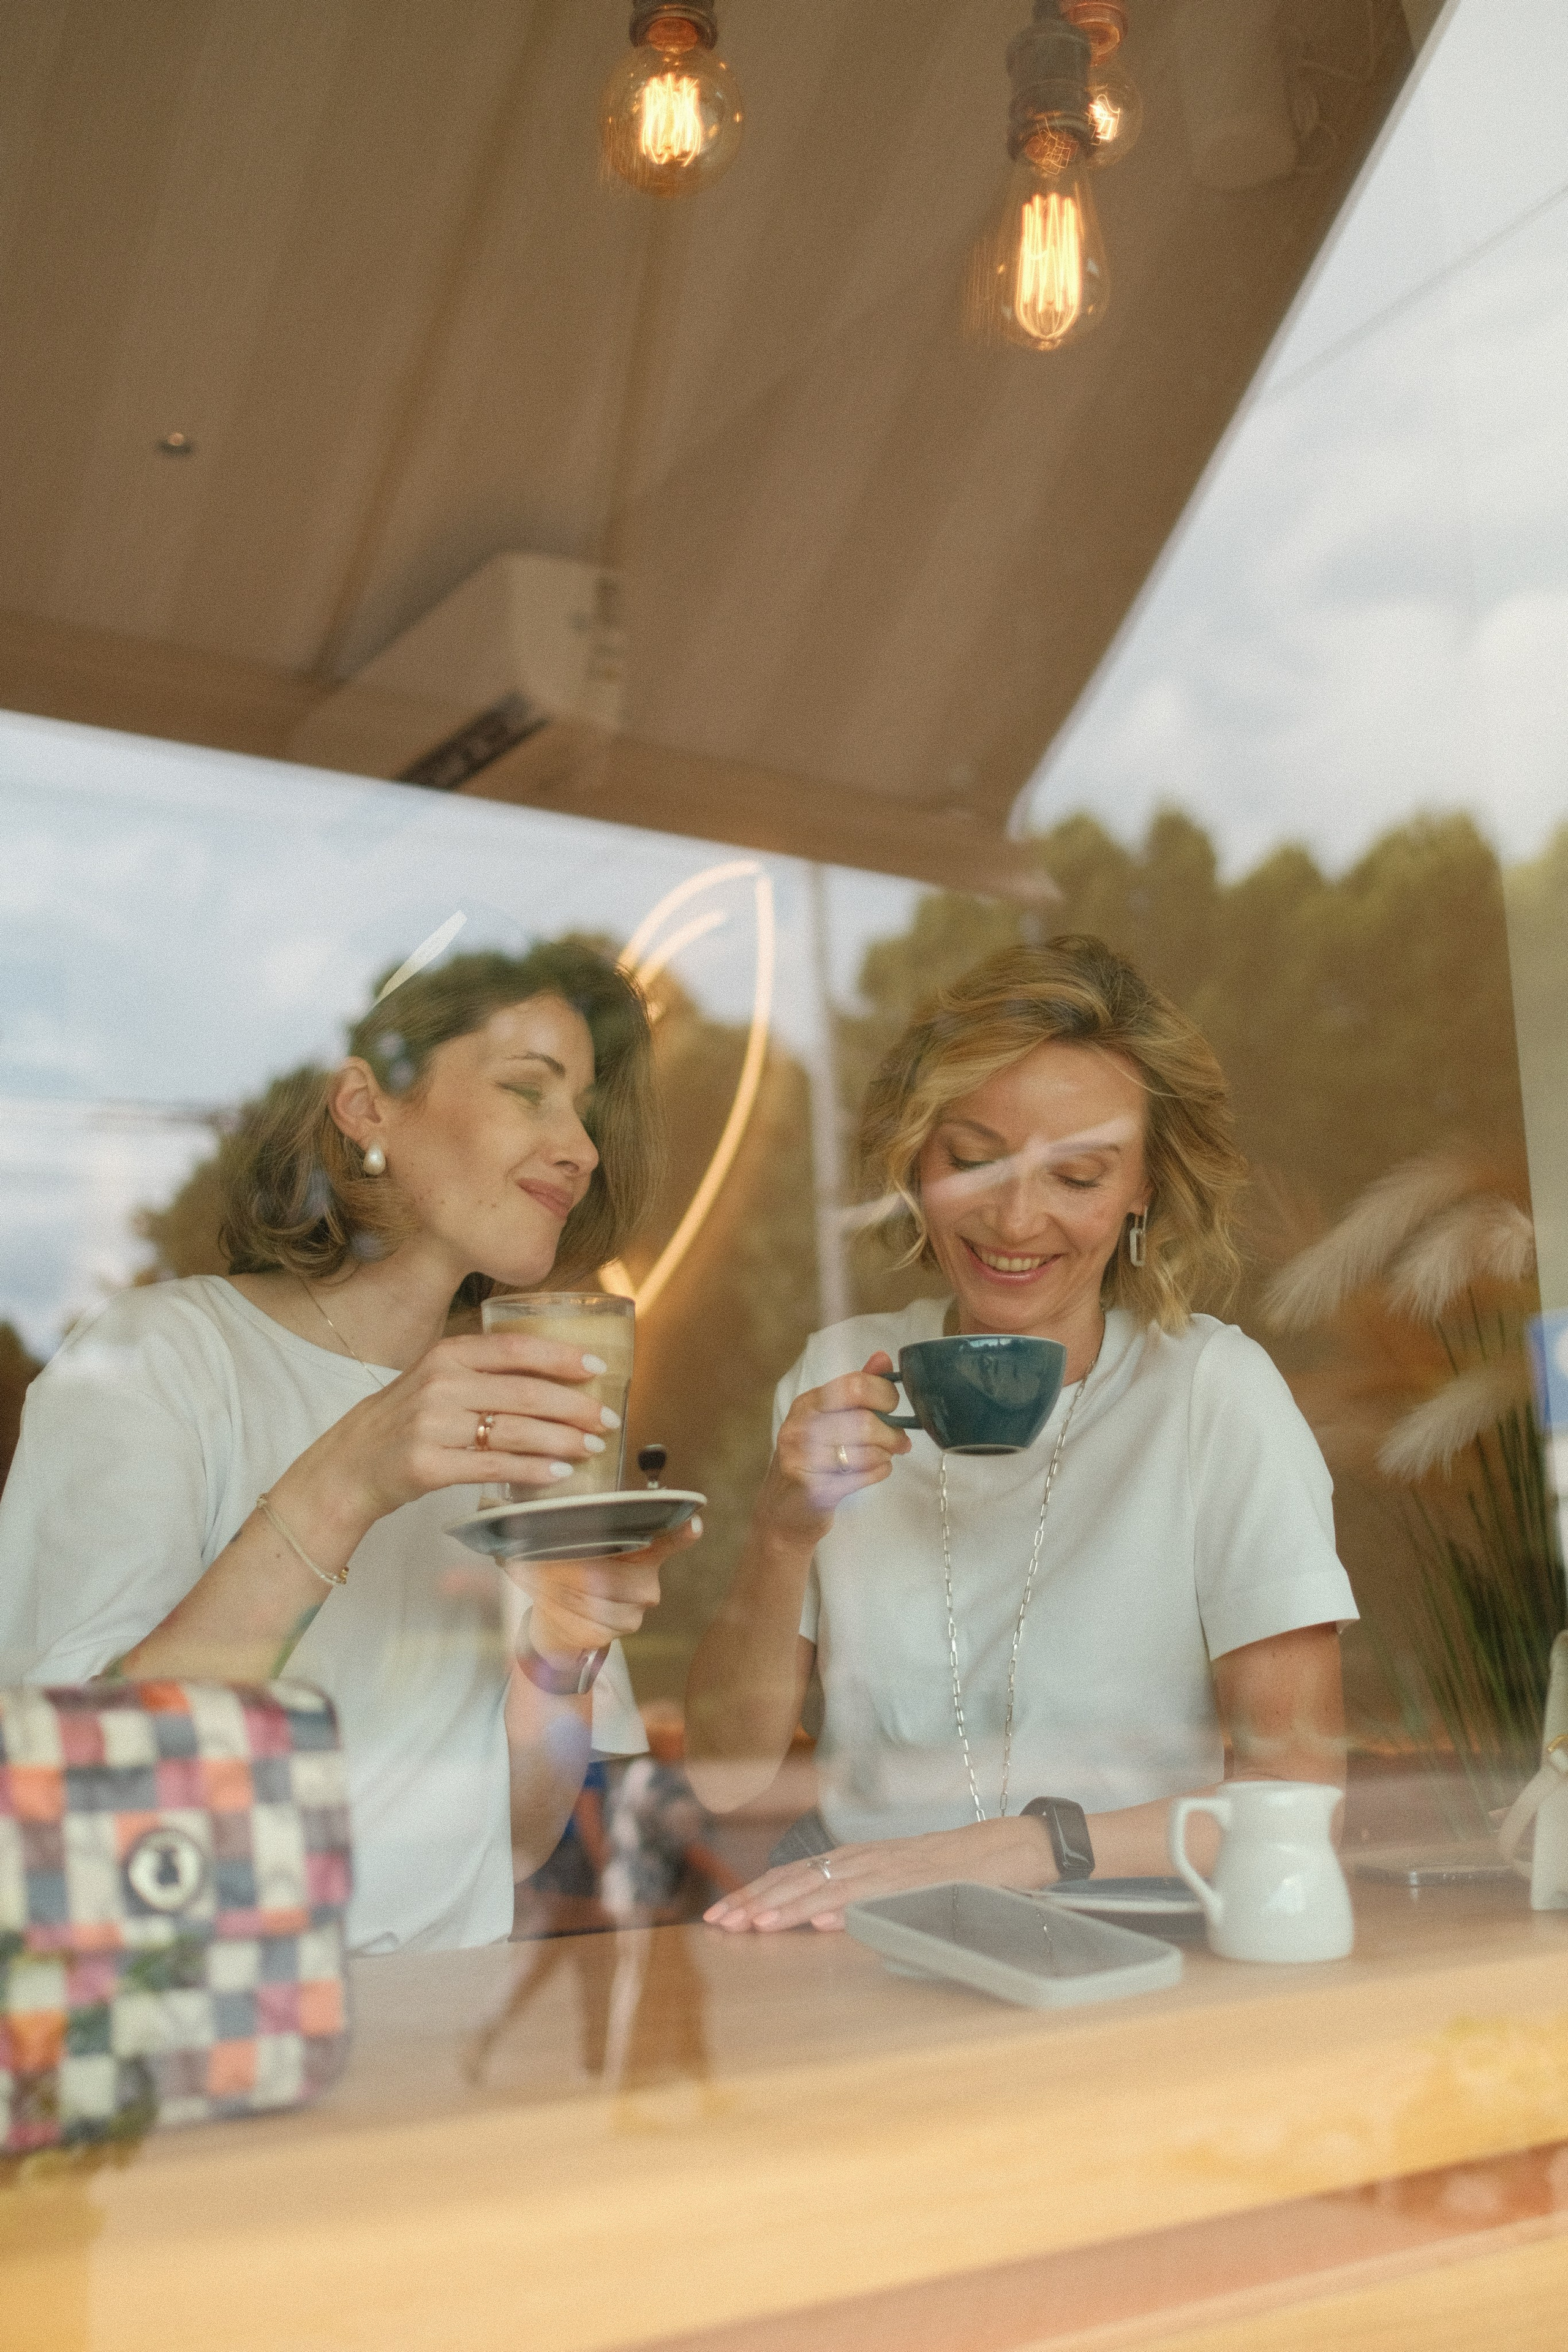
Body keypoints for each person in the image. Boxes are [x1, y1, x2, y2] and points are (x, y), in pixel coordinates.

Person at [0, 940, 698, 1955]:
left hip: (450, 2017)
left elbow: (514, 1842)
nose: (582, 1151)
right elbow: (73, 1791)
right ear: (367, 1107)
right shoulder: (160, 1358)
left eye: (584, 1112)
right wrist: (349, 1480)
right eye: (528, 1090)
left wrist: (558, 1656)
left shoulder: (518, 1412)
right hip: (212, 2015)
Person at [685, 937, 1355, 1932]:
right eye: (973, 1160)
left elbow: (1299, 1802)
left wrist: (1005, 1851)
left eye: (1078, 1177)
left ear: (1143, 1193)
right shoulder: (845, 1369)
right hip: (858, 1922)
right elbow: (723, 1776)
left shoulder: (1211, 1393)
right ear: (917, 1160)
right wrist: (782, 1534)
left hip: (1126, 1921)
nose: (1014, 1219)